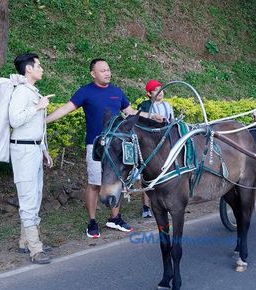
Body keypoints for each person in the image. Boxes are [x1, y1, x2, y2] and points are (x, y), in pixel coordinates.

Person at [46, 58, 162, 238]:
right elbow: (65, 109)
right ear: (93, 74)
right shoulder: (85, 92)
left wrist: (151, 116)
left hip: (116, 147)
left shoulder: (117, 91)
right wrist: (43, 121)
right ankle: (92, 222)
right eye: (102, 70)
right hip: (96, 145)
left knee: (117, 181)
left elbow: (130, 112)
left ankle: (115, 218)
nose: (107, 73)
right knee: (94, 184)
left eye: (108, 69)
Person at [9, 53, 54, 264]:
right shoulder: (21, 92)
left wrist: (44, 149)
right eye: (39, 65)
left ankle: (24, 241)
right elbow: (15, 119)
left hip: (33, 149)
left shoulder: (32, 91)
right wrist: (38, 107)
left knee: (34, 196)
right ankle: (36, 249)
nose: (41, 69)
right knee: (28, 198)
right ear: (28, 69)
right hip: (23, 151)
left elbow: (36, 126)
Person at [137, 80, 174, 218]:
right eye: (156, 90)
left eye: (161, 89)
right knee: (147, 174)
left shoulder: (167, 105)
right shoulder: (145, 106)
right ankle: (146, 206)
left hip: (165, 143)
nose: (160, 92)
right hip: (149, 145)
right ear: (149, 93)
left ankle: (167, 201)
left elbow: (171, 122)